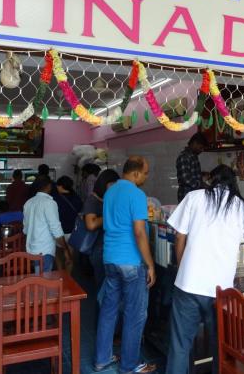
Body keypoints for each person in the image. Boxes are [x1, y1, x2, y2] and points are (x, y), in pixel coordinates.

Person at [165, 164, 244, 374]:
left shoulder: (194, 197)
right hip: (220, 292)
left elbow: (179, 237)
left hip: (187, 287)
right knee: (220, 347)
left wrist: (182, 268)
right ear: (234, 184)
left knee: (179, 347)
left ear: (212, 180)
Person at [94, 156, 156, 374]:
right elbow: (139, 232)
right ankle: (129, 365)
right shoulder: (137, 194)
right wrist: (150, 264)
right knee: (134, 314)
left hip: (109, 259)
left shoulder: (110, 191)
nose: (146, 177)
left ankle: (102, 358)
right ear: (136, 173)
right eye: (146, 173)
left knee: (109, 310)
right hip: (130, 261)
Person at [23, 177, 72, 273]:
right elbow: (56, 230)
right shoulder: (50, 203)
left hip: (31, 249)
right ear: (49, 186)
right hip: (45, 250)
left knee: (38, 277)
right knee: (44, 280)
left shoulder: (28, 203)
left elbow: (25, 229)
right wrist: (66, 249)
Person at [82, 168, 120, 291]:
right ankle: (101, 310)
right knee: (103, 288)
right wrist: (110, 215)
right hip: (99, 249)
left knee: (110, 288)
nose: (115, 188)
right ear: (104, 184)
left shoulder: (109, 199)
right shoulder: (93, 200)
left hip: (110, 247)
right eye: (112, 185)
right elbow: (91, 225)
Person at [54, 175, 83, 271]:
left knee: (58, 254)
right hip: (72, 232)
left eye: (57, 185)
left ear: (61, 186)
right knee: (70, 256)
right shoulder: (77, 198)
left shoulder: (55, 199)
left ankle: (60, 274)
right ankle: (68, 277)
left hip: (59, 232)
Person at [176, 132, 208, 203]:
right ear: (194, 143)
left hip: (193, 195)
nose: (202, 150)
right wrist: (202, 184)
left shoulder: (193, 156)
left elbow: (191, 174)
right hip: (186, 196)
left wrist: (202, 174)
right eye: (201, 147)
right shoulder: (184, 157)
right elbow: (186, 179)